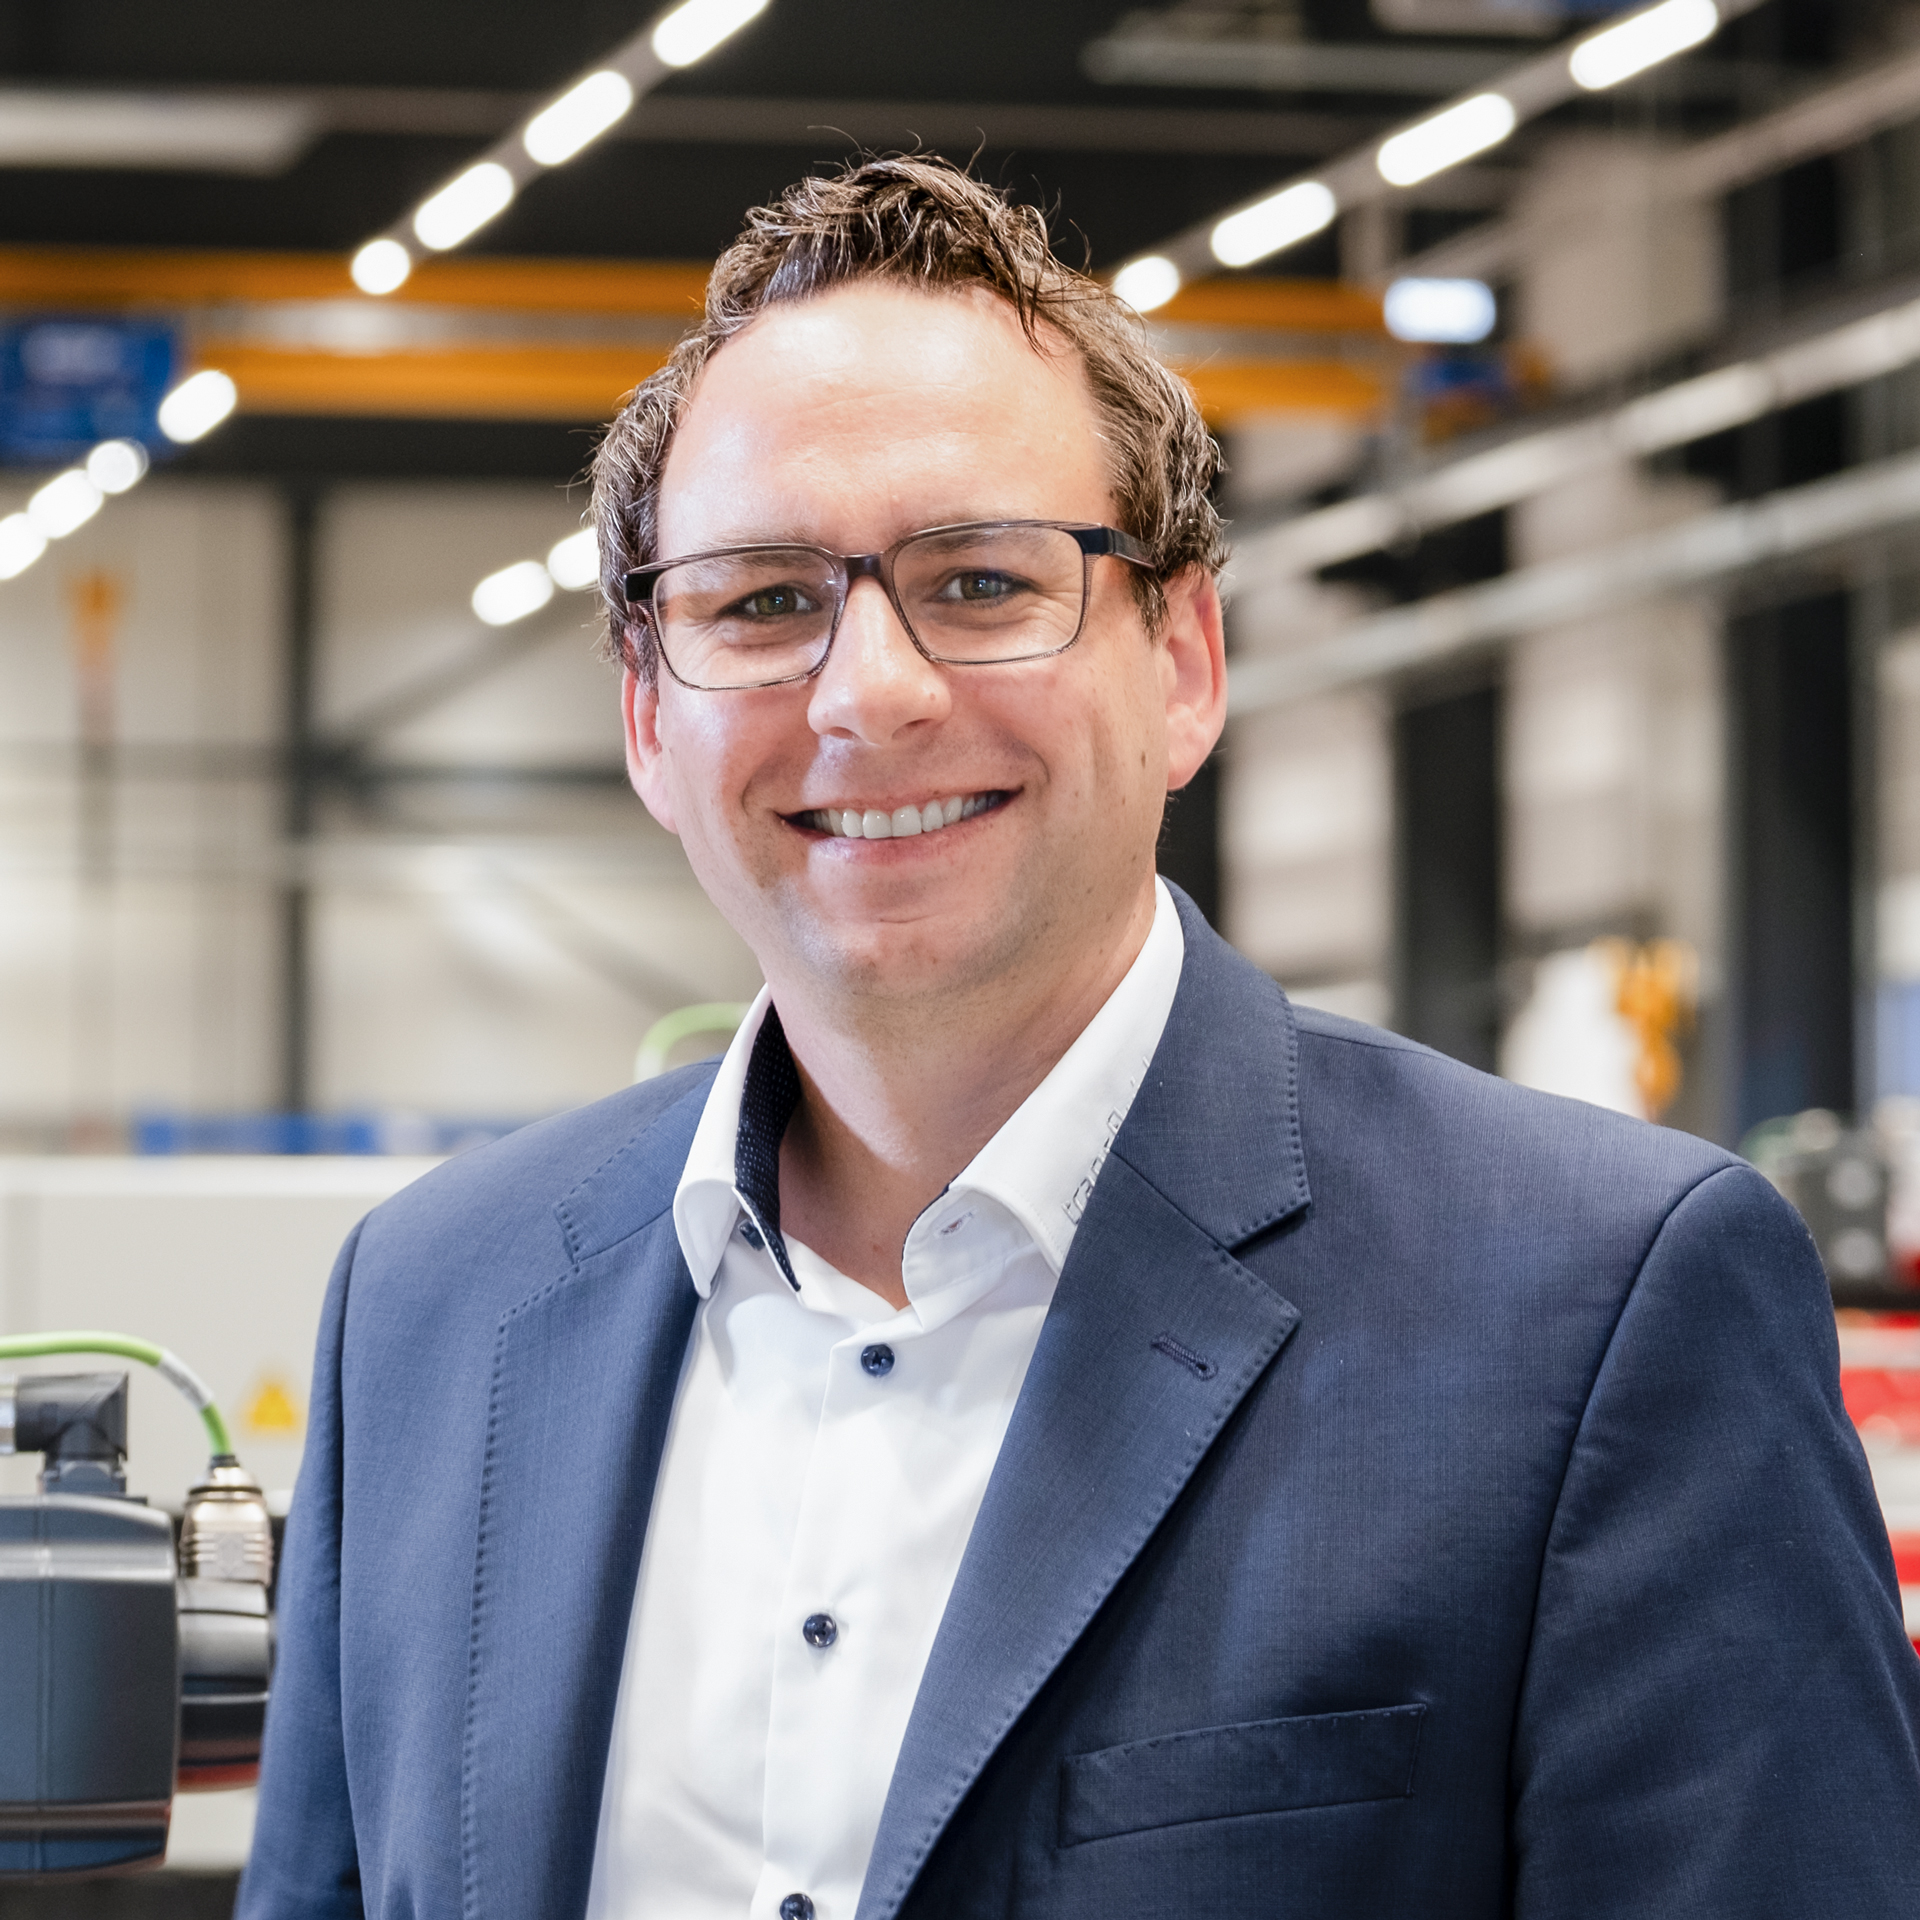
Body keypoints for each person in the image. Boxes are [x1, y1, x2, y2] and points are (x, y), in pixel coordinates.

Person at [238, 157, 1920, 1920]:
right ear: (650, 720)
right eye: (760, 600)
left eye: (978, 583)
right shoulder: (434, 1311)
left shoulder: (1602, 1313)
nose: (869, 692)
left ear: (1184, 660)